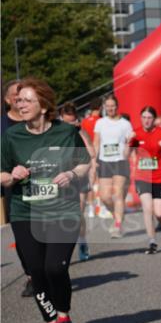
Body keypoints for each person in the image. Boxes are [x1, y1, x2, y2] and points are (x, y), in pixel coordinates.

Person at [1, 79, 91, 323]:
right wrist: (11, 175)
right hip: (24, 211)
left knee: (55, 267)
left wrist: (71, 173)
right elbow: (1, 174)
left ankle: (65, 319)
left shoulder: (65, 132)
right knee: (36, 270)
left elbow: (85, 163)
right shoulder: (12, 136)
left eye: (27, 99)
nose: (21, 104)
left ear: (44, 106)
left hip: (62, 211)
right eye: (18, 100)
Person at [2, 79, 35, 297]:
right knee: (22, 237)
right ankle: (33, 275)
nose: (19, 97)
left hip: (42, 185)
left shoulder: (34, 120)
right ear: (7, 100)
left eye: (23, 94)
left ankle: (50, 269)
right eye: (16, 94)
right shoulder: (2, 125)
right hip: (13, 187)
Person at [131, 107, 161, 253]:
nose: (146, 120)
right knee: (147, 208)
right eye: (143, 117)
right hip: (142, 176)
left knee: (159, 212)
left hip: (159, 176)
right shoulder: (135, 133)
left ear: (154, 119)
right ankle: (152, 241)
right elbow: (126, 153)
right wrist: (128, 141)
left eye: (149, 117)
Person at [58, 103, 96, 261]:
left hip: (79, 176)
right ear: (60, 119)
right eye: (65, 122)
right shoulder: (54, 132)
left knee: (78, 213)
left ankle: (81, 241)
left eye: (72, 122)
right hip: (61, 178)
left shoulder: (80, 132)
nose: (69, 126)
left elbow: (92, 153)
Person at [92, 95, 133, 238]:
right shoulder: (100, 123)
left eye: (112, 106)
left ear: (117, 106)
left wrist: (130, 155)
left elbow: (130, 142)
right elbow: (96, 142)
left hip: (120, 161)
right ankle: (117, 214)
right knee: (104, 197)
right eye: (107, 106)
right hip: (104, 161)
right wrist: (93, 159)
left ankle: (117, 226)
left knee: (118, 194)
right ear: (104, 107)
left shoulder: (125, 124)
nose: (110, 108)